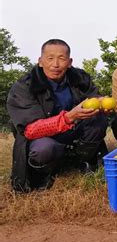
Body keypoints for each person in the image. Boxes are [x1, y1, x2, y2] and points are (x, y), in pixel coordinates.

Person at [7, 39, 108, 192]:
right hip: (43, 137)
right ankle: (41, 174)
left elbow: (94, 97)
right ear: (40, 62)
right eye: (50, 58)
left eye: (61, 58)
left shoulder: (79, 78)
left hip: (74, 130)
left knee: (98, 119)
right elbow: (31, 130)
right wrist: (69, 117)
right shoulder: (25, 86)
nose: (55, 64)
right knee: (44, 148)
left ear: (69, 62)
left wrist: (102, 102)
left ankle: (85, 160)